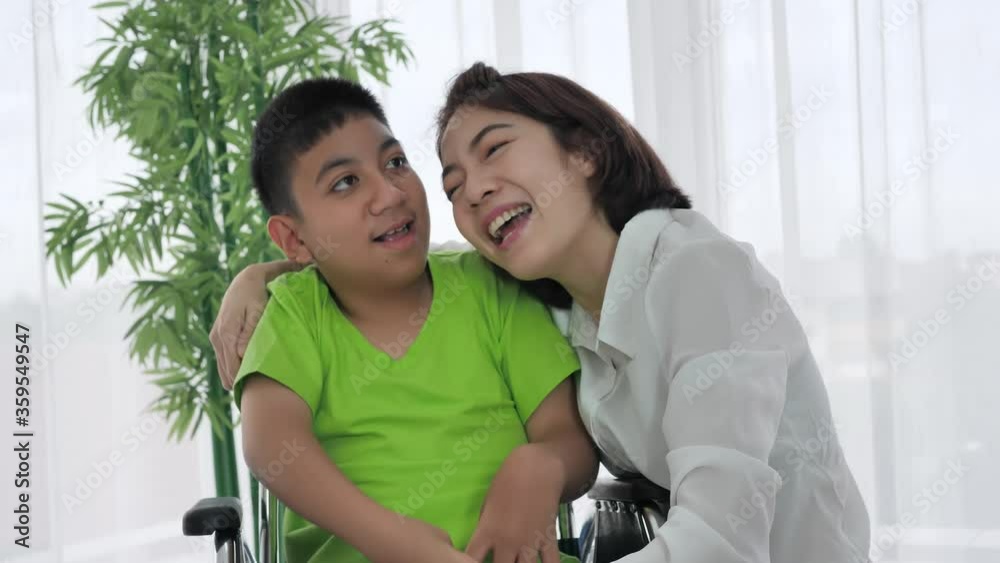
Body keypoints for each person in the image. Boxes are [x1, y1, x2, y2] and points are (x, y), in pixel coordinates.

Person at [215, 63, 872, 562]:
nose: (473, 191)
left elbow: (720, 537)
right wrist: (259, 276)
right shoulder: (562, 309)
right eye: (453, 184)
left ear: (584, 151)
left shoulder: (700, 274)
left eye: (494, 149)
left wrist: (540, 464)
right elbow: (381, 270)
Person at [221, 77, 596, 563]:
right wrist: (391, 540)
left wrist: (539, 465)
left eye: (395, 163)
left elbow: (571, 442)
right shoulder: (295, 312)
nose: (390, 193)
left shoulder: (491, 286)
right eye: (346, 182)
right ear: (294, 240)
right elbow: (272, 446)